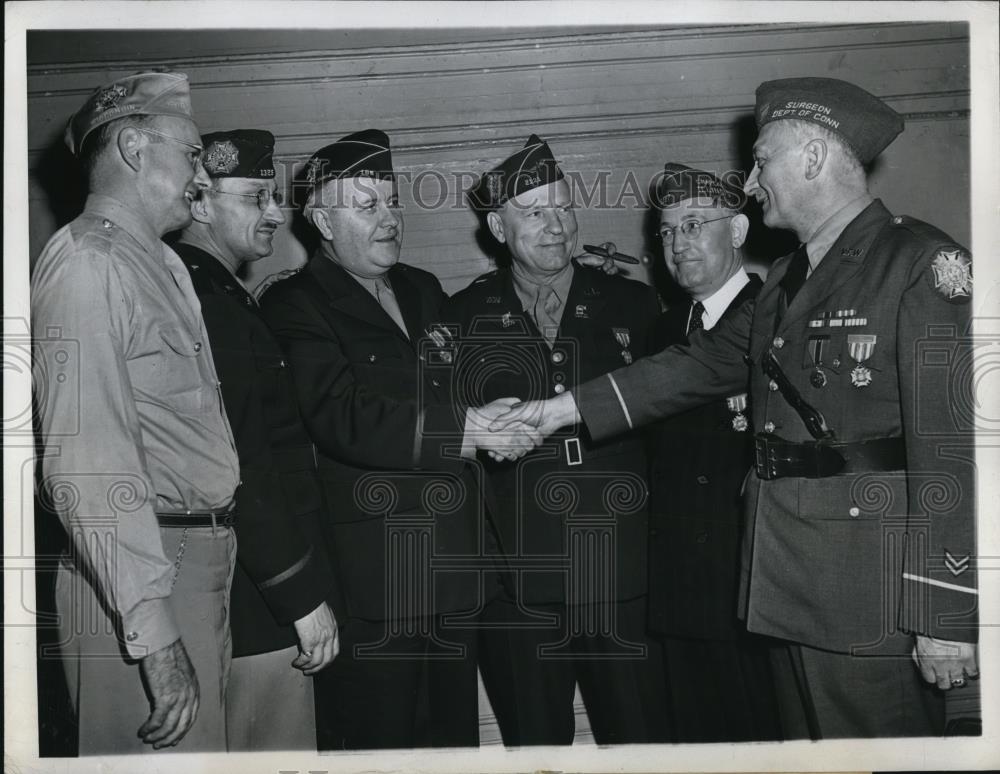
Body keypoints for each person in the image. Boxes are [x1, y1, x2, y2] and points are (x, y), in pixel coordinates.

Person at [491, 77, 978, 738]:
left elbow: (951, 450)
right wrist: (554, 412)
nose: (751, 180)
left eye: (763, 158)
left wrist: (944, 613)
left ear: (810, 159)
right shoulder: (789, 277)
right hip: (788, 582)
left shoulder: (919, 262)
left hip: (872, 591)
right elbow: (699, 363)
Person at [260, 129, 538, 750]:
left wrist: (489, 413)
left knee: (454, 745)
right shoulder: (296, 306)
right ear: (322, 220)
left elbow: (451, 391)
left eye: (392, 202)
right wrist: (468, 431)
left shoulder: (423, 288)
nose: (389, 219)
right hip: (375, 583)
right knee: (380, 747)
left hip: (455, 572)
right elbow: (343, 415)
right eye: (368, 206)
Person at [32, 71, 240, 753]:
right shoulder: (88, 263)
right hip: (140, 574)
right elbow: (88, 460)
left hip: (190, 559)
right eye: (191, 154)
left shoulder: (161, 262)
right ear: (132, 147)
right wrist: (152, 633)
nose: (202, 179)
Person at [444, 135, 669, 745]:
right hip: (518, 580)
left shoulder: (635, 303)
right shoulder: (462, 316)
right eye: (535, 212)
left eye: (563, 208)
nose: (556, 226)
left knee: (640, 742)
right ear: (497, 226)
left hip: (620, 572)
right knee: (535, 746)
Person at [173, 129, 339, 750]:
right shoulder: (208, 302)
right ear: (199, 203)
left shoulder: (218, 290)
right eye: (254, 197)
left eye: (274, 196)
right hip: (256, 597)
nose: (275, 212)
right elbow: (244, 460)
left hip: (249, 583)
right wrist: (298, 596)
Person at [644, 162, 779, 742]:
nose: (678, 243)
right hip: (678, 589)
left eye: (695, 224)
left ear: (740, 232)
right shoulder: (658, 332)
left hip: (753, 588)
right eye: (668, 230)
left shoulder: (777, 317)